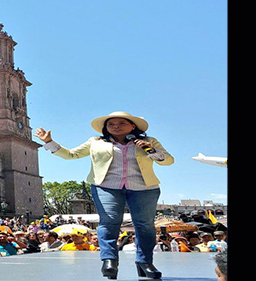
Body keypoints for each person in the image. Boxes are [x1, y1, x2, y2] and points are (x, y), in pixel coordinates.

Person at [35, 111, 174, 280]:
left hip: (144, 187)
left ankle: (145, 262)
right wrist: (49, 142)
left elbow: (168, 160)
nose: (116, 126)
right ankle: (109, 260)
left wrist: (150, 150)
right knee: (109, 221)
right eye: (111, 124)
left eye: (121, 123)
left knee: (144, 225)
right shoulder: (96, 142)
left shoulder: (149, 141)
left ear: (133, 126)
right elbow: (71, 155)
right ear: (105, 128)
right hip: (107, 187)